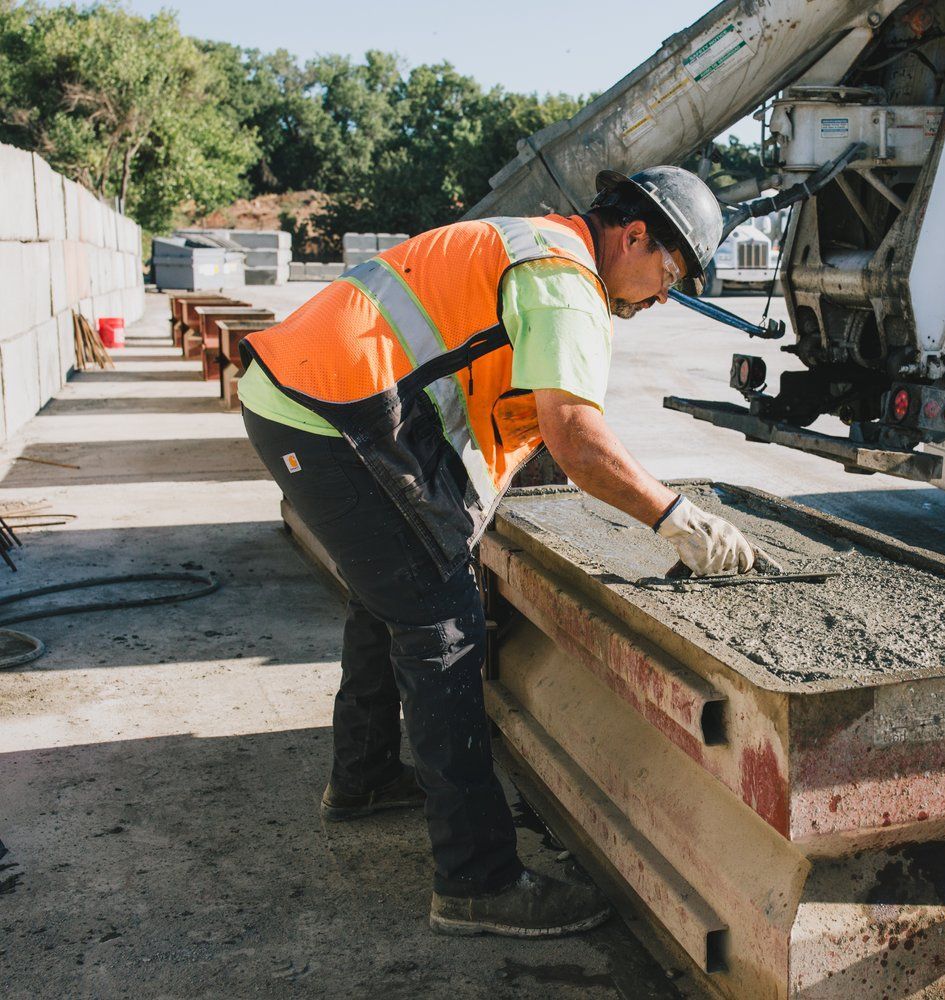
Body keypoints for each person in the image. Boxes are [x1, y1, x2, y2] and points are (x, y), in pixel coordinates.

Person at [236, 166, 757, 938]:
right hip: (327, 416)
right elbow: (574, 437)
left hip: (305, 399)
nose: (657, 299)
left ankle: (364, 776)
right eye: (668, 275)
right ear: (635, 235)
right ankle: (478, 880)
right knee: (443, 624)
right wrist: (674, 516)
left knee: (395, 587)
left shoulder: (540, 247)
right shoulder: (566, 281)